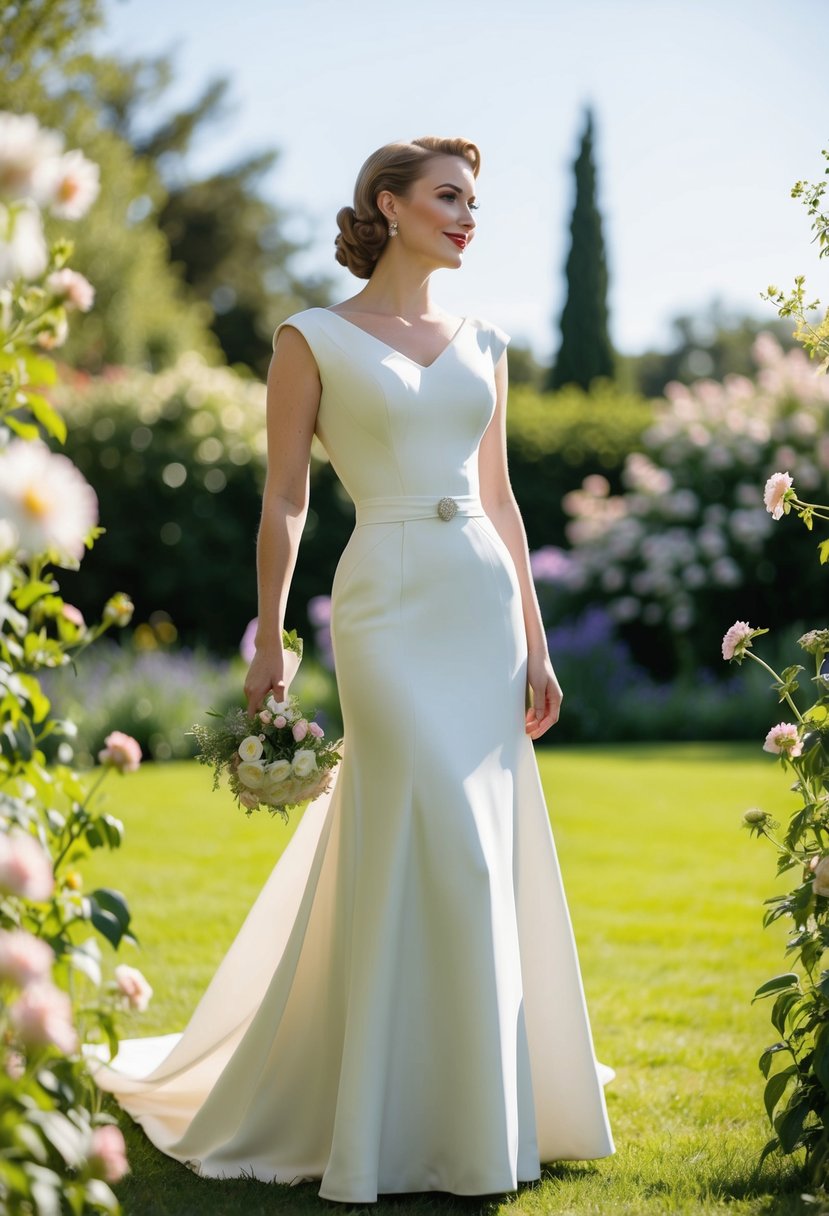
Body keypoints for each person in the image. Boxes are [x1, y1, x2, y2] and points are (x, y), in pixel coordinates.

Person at [88, 136, 616, 1205]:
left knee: (474, 841)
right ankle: (390, 1111)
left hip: (476, 599)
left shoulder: (489, 340)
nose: (469, 216)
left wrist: (539, 639)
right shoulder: (311, 338)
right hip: (381, 599)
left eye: (476, 200)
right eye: (448, 196)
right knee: (419, 822)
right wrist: (271, 634)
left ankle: (469, 1107)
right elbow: (284, 496)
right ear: (389, 203)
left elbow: (504, 499)